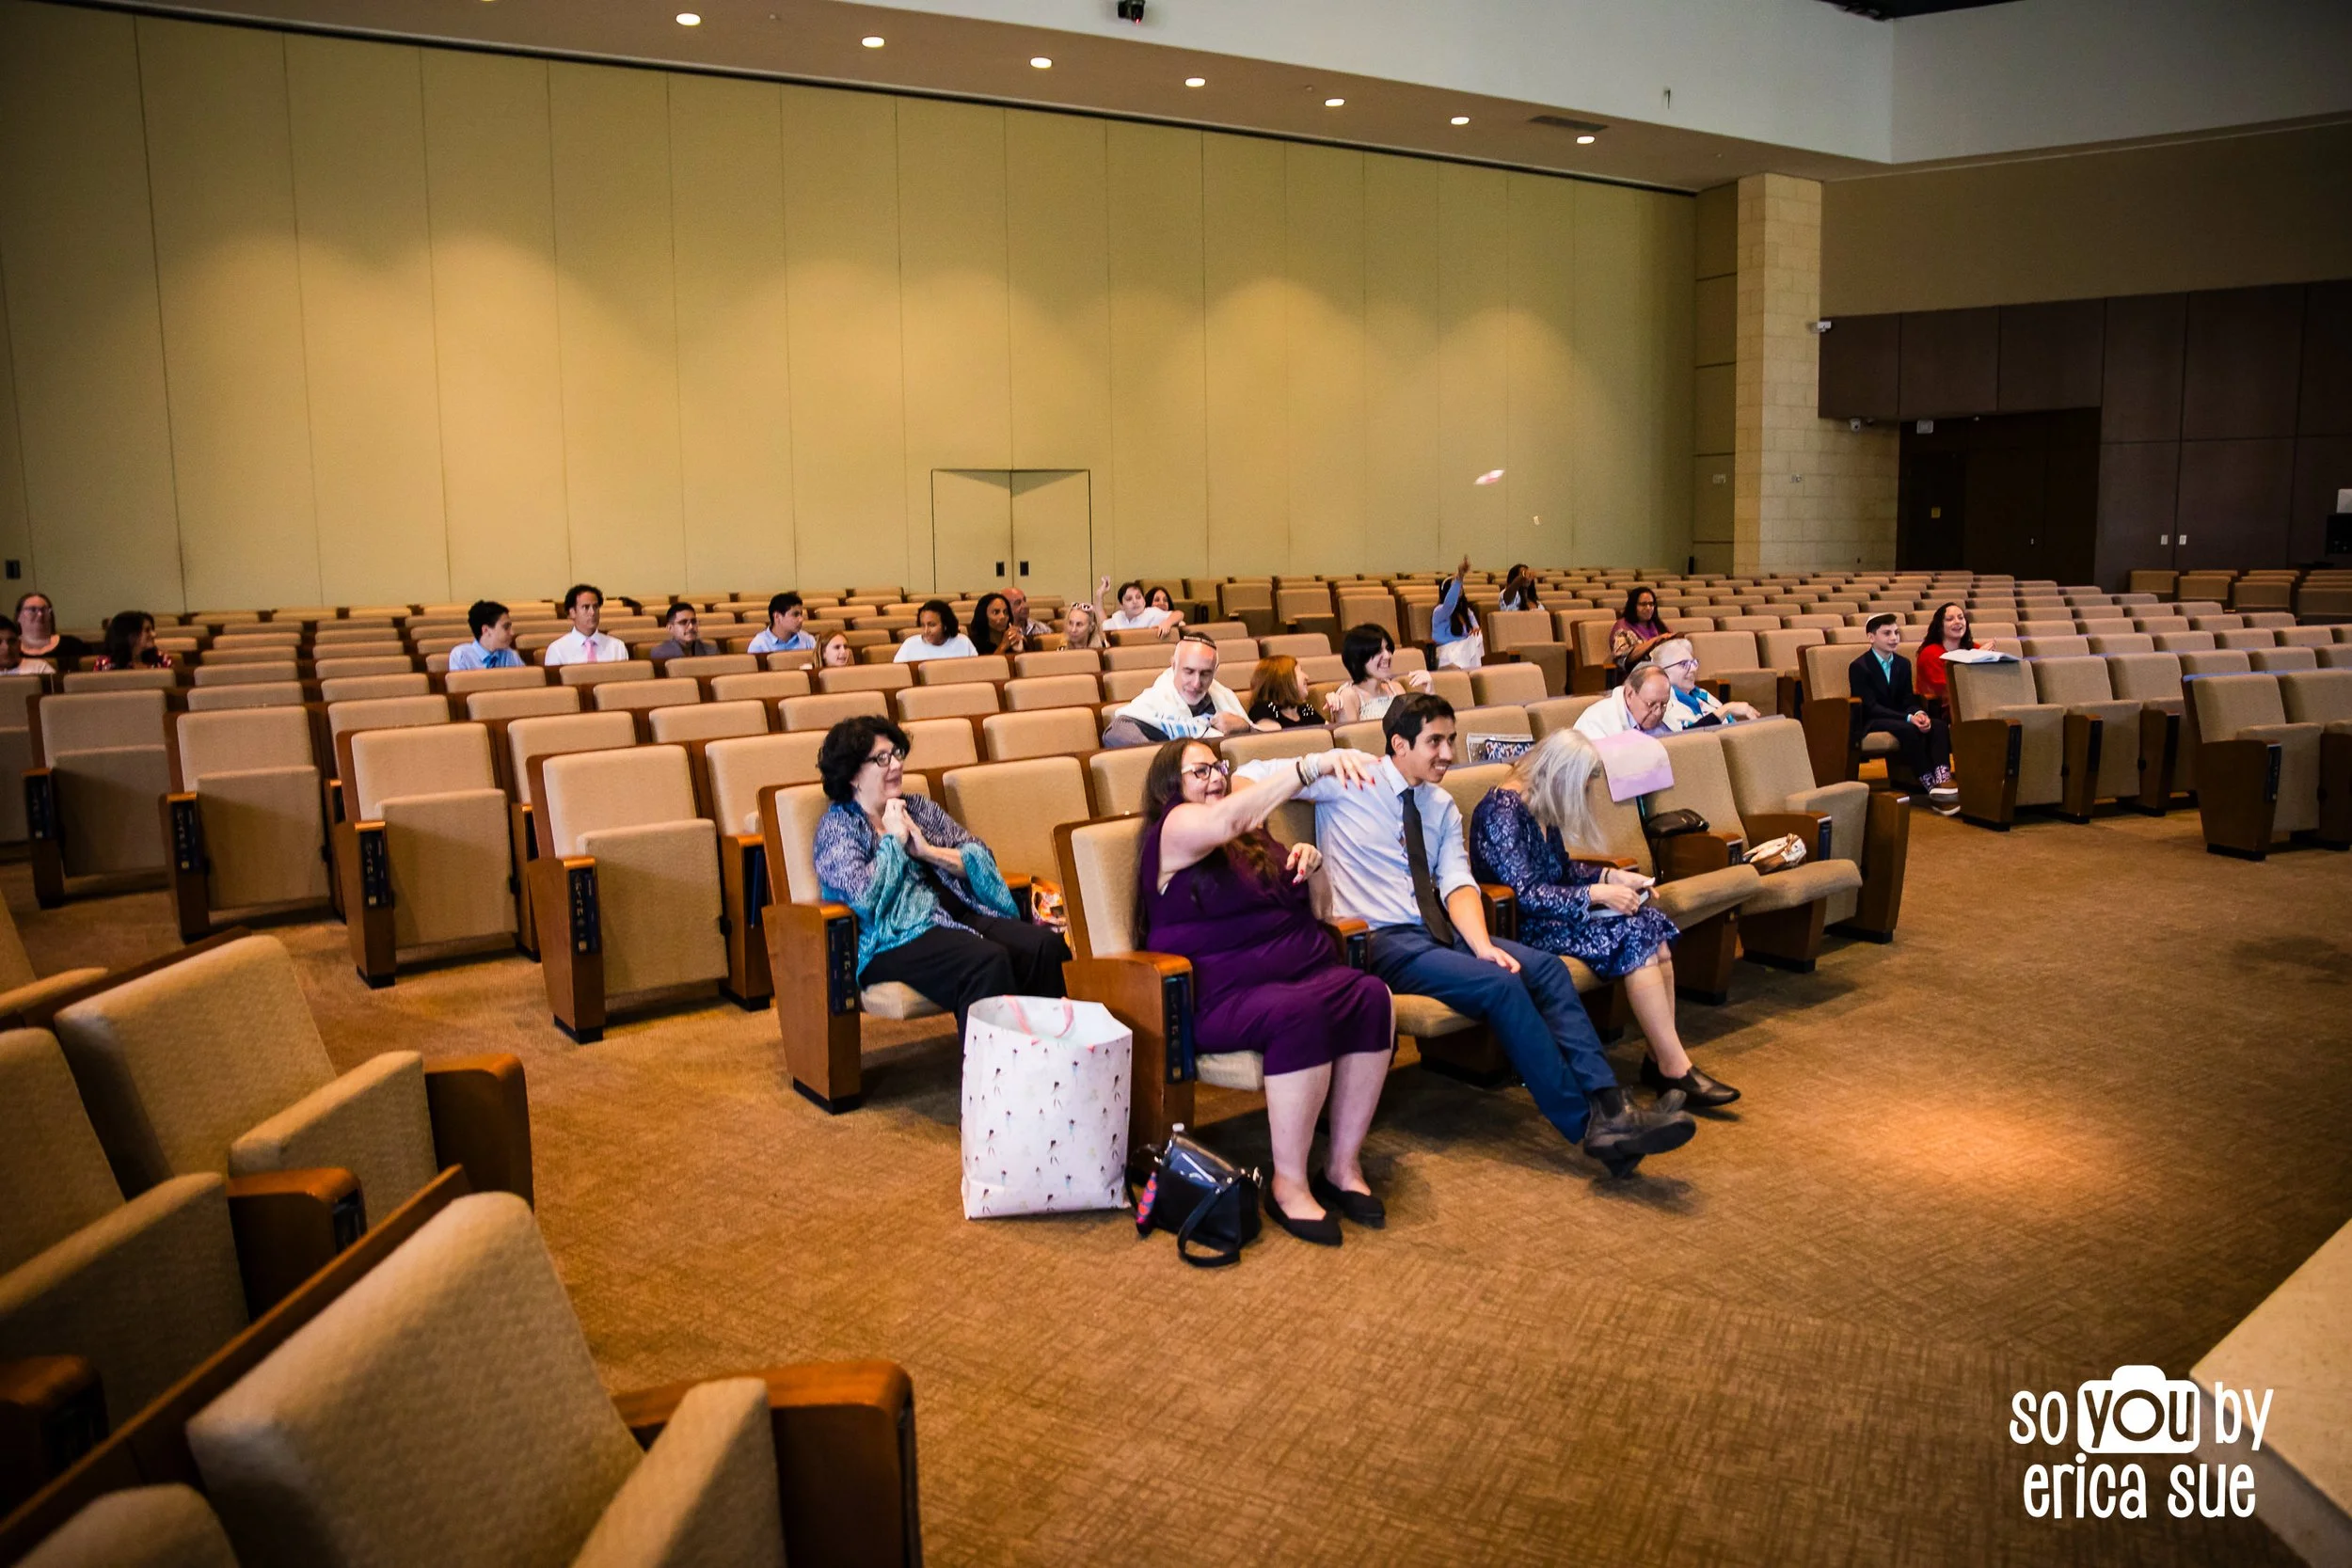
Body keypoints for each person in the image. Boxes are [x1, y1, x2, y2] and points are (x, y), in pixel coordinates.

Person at [1235, 694, 1693, 1176]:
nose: (1448, 753)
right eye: (1434, 741)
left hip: (1438, 930)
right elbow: (1248, 774)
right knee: (1502, 985)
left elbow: (1457, 884)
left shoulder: (1441, 805)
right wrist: (1310, 773)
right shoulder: (1349, 781)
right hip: (1376, 939)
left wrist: (1483, 946)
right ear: (1399, 743)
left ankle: (1611, 1107)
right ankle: (1585, 1126)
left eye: (1451, 740)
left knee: (1547, 970)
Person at [1139, 738, 1394, 1243]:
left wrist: (1313, 866)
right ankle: (1290, 1185)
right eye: (1200, 771)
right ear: (1171, 785)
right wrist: (1309, 767)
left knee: (1372, 997)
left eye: (1219, 767)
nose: (1215, 777)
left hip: (1299, 970)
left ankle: (1342, 1168)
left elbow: (1320, 912)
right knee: (1301, 1014)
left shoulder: (1254, 836)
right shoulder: (1172, 829)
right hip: (1220, 995)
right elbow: (1224, 822)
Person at [1470, 732, 1740, 1109]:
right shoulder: (1500, 812)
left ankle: (1660, 1057)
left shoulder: (1539, 802)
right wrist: (1596, 895)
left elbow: (1561, 869)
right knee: (1634, 934)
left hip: (1556, 914)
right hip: (1521, 927)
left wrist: (1609, 878)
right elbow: (1527, 894)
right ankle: (1673, 1067)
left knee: (1650, 924)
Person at [810, 716, 1069, 1030]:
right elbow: (865, 898)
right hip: (892, 938)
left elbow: (978, 854)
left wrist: (928, 852)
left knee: (1045, 946)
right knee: (985, 961)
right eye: (881, 758)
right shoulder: (839, 827)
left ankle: (1049, 1057)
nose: (895, 765)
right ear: (853, 774)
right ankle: (994, 1074)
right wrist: (893, 839)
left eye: (897, 754)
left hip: (954, 915)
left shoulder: (917, 807)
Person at [1851, 613, 1958, 813]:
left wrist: (1918, 712)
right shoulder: (1859, 667)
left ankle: (1943, 779)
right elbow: (1870, 707)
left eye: (1896, 632)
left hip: (1900, 716)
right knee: (1908, 729)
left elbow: (1907, 699)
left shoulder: (1902, 663)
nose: (1894, 638)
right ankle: (1930, 784)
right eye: (1887, 633)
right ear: (1871, 637)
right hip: (1873, 719)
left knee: (1939, 725)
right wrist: (1908, 718)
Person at [1103, 634, 1262, 749]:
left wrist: (1245, 728)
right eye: (1189, 672)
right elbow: (1114, 733)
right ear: (1173, 666)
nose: (1196, 683)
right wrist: (1174, 759)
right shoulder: (1156, 698)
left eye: (1205, 673)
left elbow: (1263, 745)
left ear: (1215, 671)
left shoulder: (1223, 697)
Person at [1324, 624, 1434, 725]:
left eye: (1388, 649)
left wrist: (1430, 694)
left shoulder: (1395, 688)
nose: (1387, 656)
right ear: (1359, 658)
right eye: (1378, 651)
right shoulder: (1349, 696)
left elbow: (1412, 731)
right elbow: (1352, 741)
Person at [1650, 637, 1758, 730]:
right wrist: (1727, 709)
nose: (1693, 669)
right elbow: (1690, 738)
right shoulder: (1663, 704)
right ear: (1662, 671)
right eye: (1683, 664)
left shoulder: (1701, 694)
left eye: (1693, 663)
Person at [1574, 663, 1674, 740]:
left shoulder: (1671, 712)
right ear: (1630, 695)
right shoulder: (1595, 721)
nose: (1658, 712)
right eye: (1651, 704)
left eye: (1663, 705)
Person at [1915, 602, 1975, 718]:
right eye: (1950, 619)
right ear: (1940, 626)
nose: (1957, 622)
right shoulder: (1930, 653)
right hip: (1947, 711)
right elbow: (1946, 691)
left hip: (1975, 701)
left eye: (1961, 618)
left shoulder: (1974, 648)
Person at [544, 584, 629, 666]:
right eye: (586, 607)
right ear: (572, 612)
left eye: (595, 607)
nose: (592, 612)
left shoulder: (617, 647)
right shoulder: (557, 650)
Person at [1430, 556, 1484, 671]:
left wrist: (1476, 631)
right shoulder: (1439, 611)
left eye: (1460, 586)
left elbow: (1476, 630)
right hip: (1447, 653)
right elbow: (1450, 604)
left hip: (1466, 650)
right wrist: (1460, 577)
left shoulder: (1467, 612)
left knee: (1478, 639)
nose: (1459, 588)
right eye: (1455, 586)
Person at [1609, 587, 1672, 682]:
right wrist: (1655, 640)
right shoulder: (1622, 627)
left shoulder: (1658, 625)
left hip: (1663, 671)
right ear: (1633, 606)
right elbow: (1623, 657)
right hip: (1635, 677)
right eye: (1643, 604)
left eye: (1651, 604)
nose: (1648, 608)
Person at [1245, 655, 1321, 729]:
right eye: (1300, 670)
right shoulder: (1262, 710)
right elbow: (1278, 739)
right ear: (1284, 680)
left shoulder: (1304, 709)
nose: (1307, 677)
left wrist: (1333, 713)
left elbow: (1327, 734)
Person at [448, 600, 523, 671]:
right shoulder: (461, 656)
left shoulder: (511, 655)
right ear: (486, 630)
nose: (512, 633)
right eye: (506, 627)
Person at [16, 594, 85, 671]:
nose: (40, 614)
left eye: (44, 610)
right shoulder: (8, 648)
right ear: (19, 616)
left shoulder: (74, 645)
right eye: (33, 610)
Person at [894, 599, 977, 663]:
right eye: (923, 625)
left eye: (932, 625)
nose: (926, 631)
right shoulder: (910, 645)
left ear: (945, 625)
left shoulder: (963, 642)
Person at [1102, 577, 1182, 640]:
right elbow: (1103, 624)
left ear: (1144, 601)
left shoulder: (1153, 613)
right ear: (1122, 606)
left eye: (1138, 597)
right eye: (1129, 599)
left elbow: (1179, 614)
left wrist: (1168, 622)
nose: (1135, 601)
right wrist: (1099, 595)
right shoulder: (1118, 617)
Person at [91, 610, 171, 672]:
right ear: (130, 636)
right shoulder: (105, 663)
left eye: (152, 630)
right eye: (147, 630)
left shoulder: (161, 659)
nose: (154, 634)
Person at [747, 592, 815, 656]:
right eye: (795, 614)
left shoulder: (808, 640)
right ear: (777, 617)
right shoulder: (759, 645)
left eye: (801, 614)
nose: (801, 619)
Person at [649, 602, 719, 661]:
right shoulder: (660, 653)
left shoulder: (712, 650)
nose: (691, 627)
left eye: (693, 621)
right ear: (670, 628)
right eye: (683, 622)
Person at [970, 592, 1024, 657]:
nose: (1003, 616)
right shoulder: (973, 644)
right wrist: (1003, 645)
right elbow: (988, 666)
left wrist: (1020, 649)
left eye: (1006, 612)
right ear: (983, 616)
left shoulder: (1014, 638)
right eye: (996, 612)